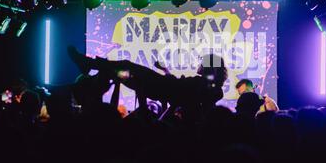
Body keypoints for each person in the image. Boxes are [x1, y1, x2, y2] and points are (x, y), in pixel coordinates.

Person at [67, 46, 228, 122]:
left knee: (125, 67)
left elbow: (184, 96)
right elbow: (181, 89)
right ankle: (89, 65)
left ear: (209, 67)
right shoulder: (208, 85)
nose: (199, 64)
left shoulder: (208, 87)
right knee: (121, 71)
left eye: (203, 62)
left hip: (158, 86)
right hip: (160, 86)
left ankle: (88, 64)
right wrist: (165, 70)